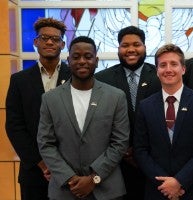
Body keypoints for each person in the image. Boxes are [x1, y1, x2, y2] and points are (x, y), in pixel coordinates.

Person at [37, 36, 130, 200]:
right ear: (68, 60)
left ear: (96, 60)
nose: (82, 61)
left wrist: (93, 179)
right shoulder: (50, 99)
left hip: (107, 191)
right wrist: (70, 178)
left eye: (88, 56)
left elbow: (120, 142)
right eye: (76, 56)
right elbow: (45, 143)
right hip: (65, 190)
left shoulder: (115, 97)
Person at [133, 44, 193, 200]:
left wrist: (180, 181)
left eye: (174, 64)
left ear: (183, 69)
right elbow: (140, 150)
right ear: (157, 71)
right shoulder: (145, 106)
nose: (168, 69)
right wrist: (167, 184)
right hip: (158, 189)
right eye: (162, 65)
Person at [5, 17, 70, 200]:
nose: (49, 42)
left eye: (55, 39)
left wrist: (61, 166)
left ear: (63, 44)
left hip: (71, 170)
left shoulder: (75, 77)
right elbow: (14, 126)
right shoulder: (19, 80)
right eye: (44, 38)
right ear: (35, 42)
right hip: (33, 171)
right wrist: (42, 164)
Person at [94, 25, 161, 199]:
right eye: (125, 45)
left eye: (136, 44)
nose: (131, 49)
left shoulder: (160, 76)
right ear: (118, 49)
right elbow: (99, 120)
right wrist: (122, 149)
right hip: (115, 164)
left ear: (145, 47)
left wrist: (141, 152)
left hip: (153, 161)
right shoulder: (102, 79)